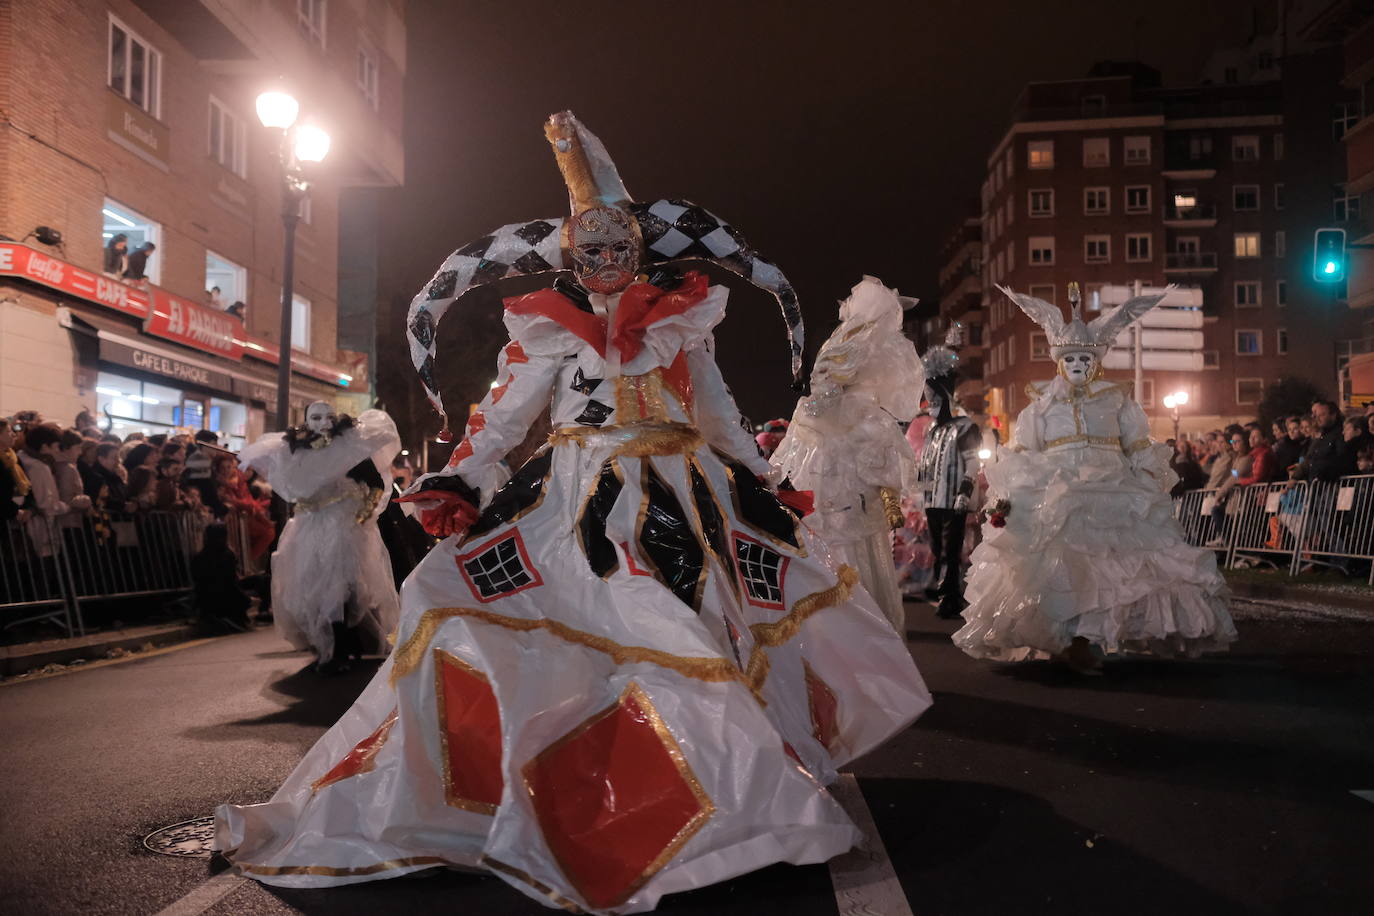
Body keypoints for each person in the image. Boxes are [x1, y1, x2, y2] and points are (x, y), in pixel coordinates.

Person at [215, 112, 930, 913]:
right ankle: (589, 797)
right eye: (590, 252)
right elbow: (503, 419)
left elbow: (722, 415)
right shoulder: (544, 332)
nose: (605, 263)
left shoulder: (685, 323)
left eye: (620, 249)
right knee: (459, 604)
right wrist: (461, 477)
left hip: (680, 494)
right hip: (571, 496)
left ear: (641, 252)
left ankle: (724, 807)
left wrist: (762, 479)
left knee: (683, 633)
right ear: (571, 257)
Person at [954, 283, 1235, 673]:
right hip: (1058, 496)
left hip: (1114, 491)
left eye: (1085, 359)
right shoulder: (1041, 407)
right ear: (1059, 363)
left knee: (1118, 567)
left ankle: (1096, 637)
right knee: (1064, 568)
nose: (1078, 367)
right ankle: (1072, 640)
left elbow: (1136, 444)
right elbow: (1024, 454)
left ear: (1096, 361)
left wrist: (1153, 475)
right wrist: (1008, 495)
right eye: (1071, 361)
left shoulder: (1118, 401)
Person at [771, 276, 923, 633]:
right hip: (831, 489)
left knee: (846, 547)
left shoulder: (862, 415)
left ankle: (848, 636)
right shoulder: (856, 413)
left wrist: (888, 496)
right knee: (837, 546)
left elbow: (880, 463)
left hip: (843, 492)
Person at [235, 401, 401, 673]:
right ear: (307, 422)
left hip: (344, 526)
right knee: (311, 586)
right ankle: (329, 645)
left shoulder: (351, 447)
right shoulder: (297, 449)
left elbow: (375, 484)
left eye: (328, 416)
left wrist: (363, 514)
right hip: (309, 526)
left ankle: (342, 648)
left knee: (341, 586)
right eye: (316, 417)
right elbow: (292, 484)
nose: (323, 422)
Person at [915, 324, 981, 619]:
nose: (932, 404)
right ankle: (944, 590)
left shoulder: (965, 426)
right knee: (938, 549)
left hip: (953, 501)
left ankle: (951, 597)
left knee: (951, 553)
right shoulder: (931, 430)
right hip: (932, 500)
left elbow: (973, 462)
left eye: (935, 398)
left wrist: (965, 493)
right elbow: (926, 462)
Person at [17, 424, 70, 557]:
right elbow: (46, 504)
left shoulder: (20, 457)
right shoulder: (39, 467)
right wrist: (69, 506)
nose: (58, 450)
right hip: (42, 533)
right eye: (56, 446)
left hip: (28, 529)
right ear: (44, 447)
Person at [190, 523, 254, 631]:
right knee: (260, 582)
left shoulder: (198, 557)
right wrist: (248, 599)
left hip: (205, 598)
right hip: (224, 596)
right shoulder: (227, 555)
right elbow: (230, 583)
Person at [0, 418, 32, 523]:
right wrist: (14, 511)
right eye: (8, 431)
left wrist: (27, 508)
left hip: (17, 518)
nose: (14, 434)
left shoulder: (13, 458)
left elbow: (27, 485)